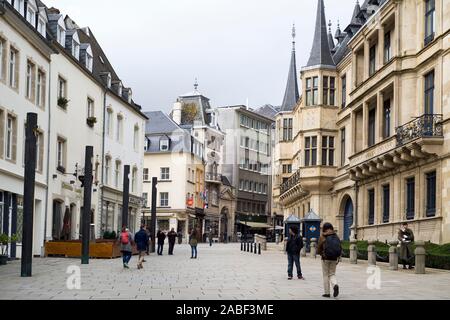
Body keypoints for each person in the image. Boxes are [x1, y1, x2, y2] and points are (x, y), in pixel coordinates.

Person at [317, 223, 342, 298]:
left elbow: (319, 248)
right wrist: (338, 257)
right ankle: (335, 284)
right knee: (332, 273)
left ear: (324, 228)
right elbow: (339, 247)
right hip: (334, 258)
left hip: (325, 258)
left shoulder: (322, 236)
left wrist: (321, 254)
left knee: (325, 275)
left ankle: (327, 293)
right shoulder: (336, 235)